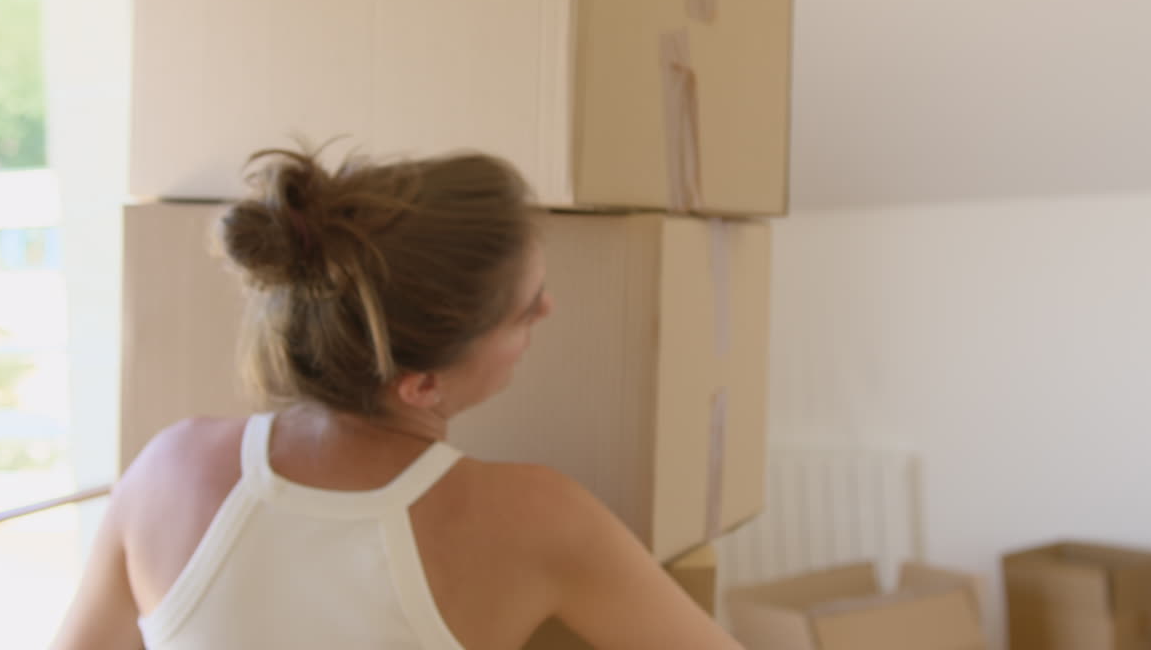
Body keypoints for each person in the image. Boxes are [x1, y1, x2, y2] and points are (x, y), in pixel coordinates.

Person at [52, 148, 743, 649]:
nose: (549, 309)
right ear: (421, 384)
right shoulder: (537, 518)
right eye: (525, 311)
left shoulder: (166, 471)